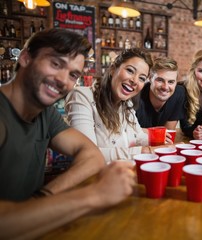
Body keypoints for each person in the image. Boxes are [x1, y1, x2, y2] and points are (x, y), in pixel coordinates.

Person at [0, 29, 135, 239]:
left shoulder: (45, 113)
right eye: (56, 64)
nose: (63, 80)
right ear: (26, 57)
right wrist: (94, 195)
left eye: (73, 74)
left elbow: (92, 155)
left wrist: (42, 198)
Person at [66, 48, 160, 164]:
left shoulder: (127, 103)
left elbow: (138, 136)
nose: (135, 81)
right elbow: (87, 154)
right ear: (112, 69)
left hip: (128, 174)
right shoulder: (82, 96)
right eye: (130, 71)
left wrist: (161, 143)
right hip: (97, 179)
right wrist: (145, 151)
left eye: (141, 78)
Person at [135, 56, 186, 143]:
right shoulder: (136, 95)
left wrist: (144, 131)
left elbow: (168, 135)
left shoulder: (179, 93)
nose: (165, 87)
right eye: (160, 80)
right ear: (150, 78)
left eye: (171, 82)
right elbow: (128, 132)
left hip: (159, 146)